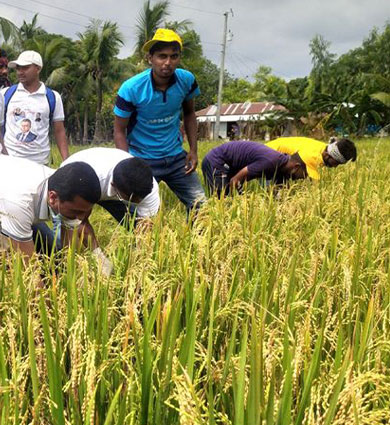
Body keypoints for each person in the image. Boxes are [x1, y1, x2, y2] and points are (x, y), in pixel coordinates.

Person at [113, 28, 205, 215]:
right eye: (162, 56)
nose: (168, 62)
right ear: (150, 58)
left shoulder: (186, 81)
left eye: (174, 56)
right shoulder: (132, 88)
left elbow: (189, 114)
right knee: (141, 218)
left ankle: (194, 235)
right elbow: (119, 131)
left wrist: (193, 151)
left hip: (176, 158)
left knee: (202, 209)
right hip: (142, 160)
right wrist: (128, 165)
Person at [59, 148, 159, 274]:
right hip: (77, 181)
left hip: (113, 188)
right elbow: (78, 222)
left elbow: (146, 233)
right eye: (131, 200)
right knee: (67, 234)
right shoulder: (84, 180)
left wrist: (140, 266)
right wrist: (99, 258)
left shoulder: (149, 191)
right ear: (113, 186)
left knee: (136, 226)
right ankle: (68, 270)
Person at [2, 50, 69, 164]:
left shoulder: (52, 97)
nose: (20, 72)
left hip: (40, 162)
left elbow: (59, 131)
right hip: (10, 161)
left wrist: (67, 161)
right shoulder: (6, 94)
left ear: (38, 69)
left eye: (25, 68)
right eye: (18, 68)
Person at [201, 140, 307, 197]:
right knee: (221, 202)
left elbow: (276, 194)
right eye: (305, 174)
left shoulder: (282, 169)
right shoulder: (271, 162)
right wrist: (242, 199)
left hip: (229, 166)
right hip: (217, 161)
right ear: (296, 167)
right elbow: (235, 181)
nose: (305, 178)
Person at [265, 136, 356, 180]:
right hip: (267, 158)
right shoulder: (312, 156)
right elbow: (314, 183)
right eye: (335, 163)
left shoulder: (323, 148)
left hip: (273, 153)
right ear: (327, 155)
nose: (335, 166)